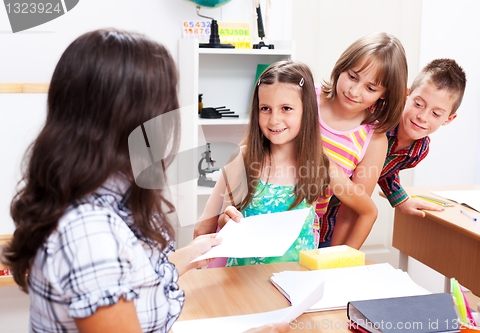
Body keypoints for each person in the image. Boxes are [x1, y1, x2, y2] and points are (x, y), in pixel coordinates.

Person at [0, 29, 289, 333]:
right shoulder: (91, 234)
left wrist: (194, 252)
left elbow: (138, 276)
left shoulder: (113, 193)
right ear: (135, 119)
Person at [194, 60, 377, 266]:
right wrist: (225, 221)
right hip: (243, 286)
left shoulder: (321, 167)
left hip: (296, 287)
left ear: (306, 111)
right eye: (265, 108)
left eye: (286, 108)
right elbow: (215, 224)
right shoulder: (241, 160)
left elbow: (368, 211)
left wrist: (340, 264)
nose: (274, 120)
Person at [326, 58, 467, 247]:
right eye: (418, 104)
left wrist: (400, 199)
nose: (422, 117)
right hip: (319, 193)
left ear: (448, 119)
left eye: (436, 113)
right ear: (406, 95)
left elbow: (384, 171)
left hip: (340, 216)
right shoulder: (375, 120)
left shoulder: (417, 151)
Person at [317, 32, 408, 249]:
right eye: (352, 76)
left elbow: (352, 209)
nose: (354, 91)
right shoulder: (305, 98)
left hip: (307, 230)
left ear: (384, 94)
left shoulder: (374, 140)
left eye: (370, 88)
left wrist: (333, 259)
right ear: (342, 67)